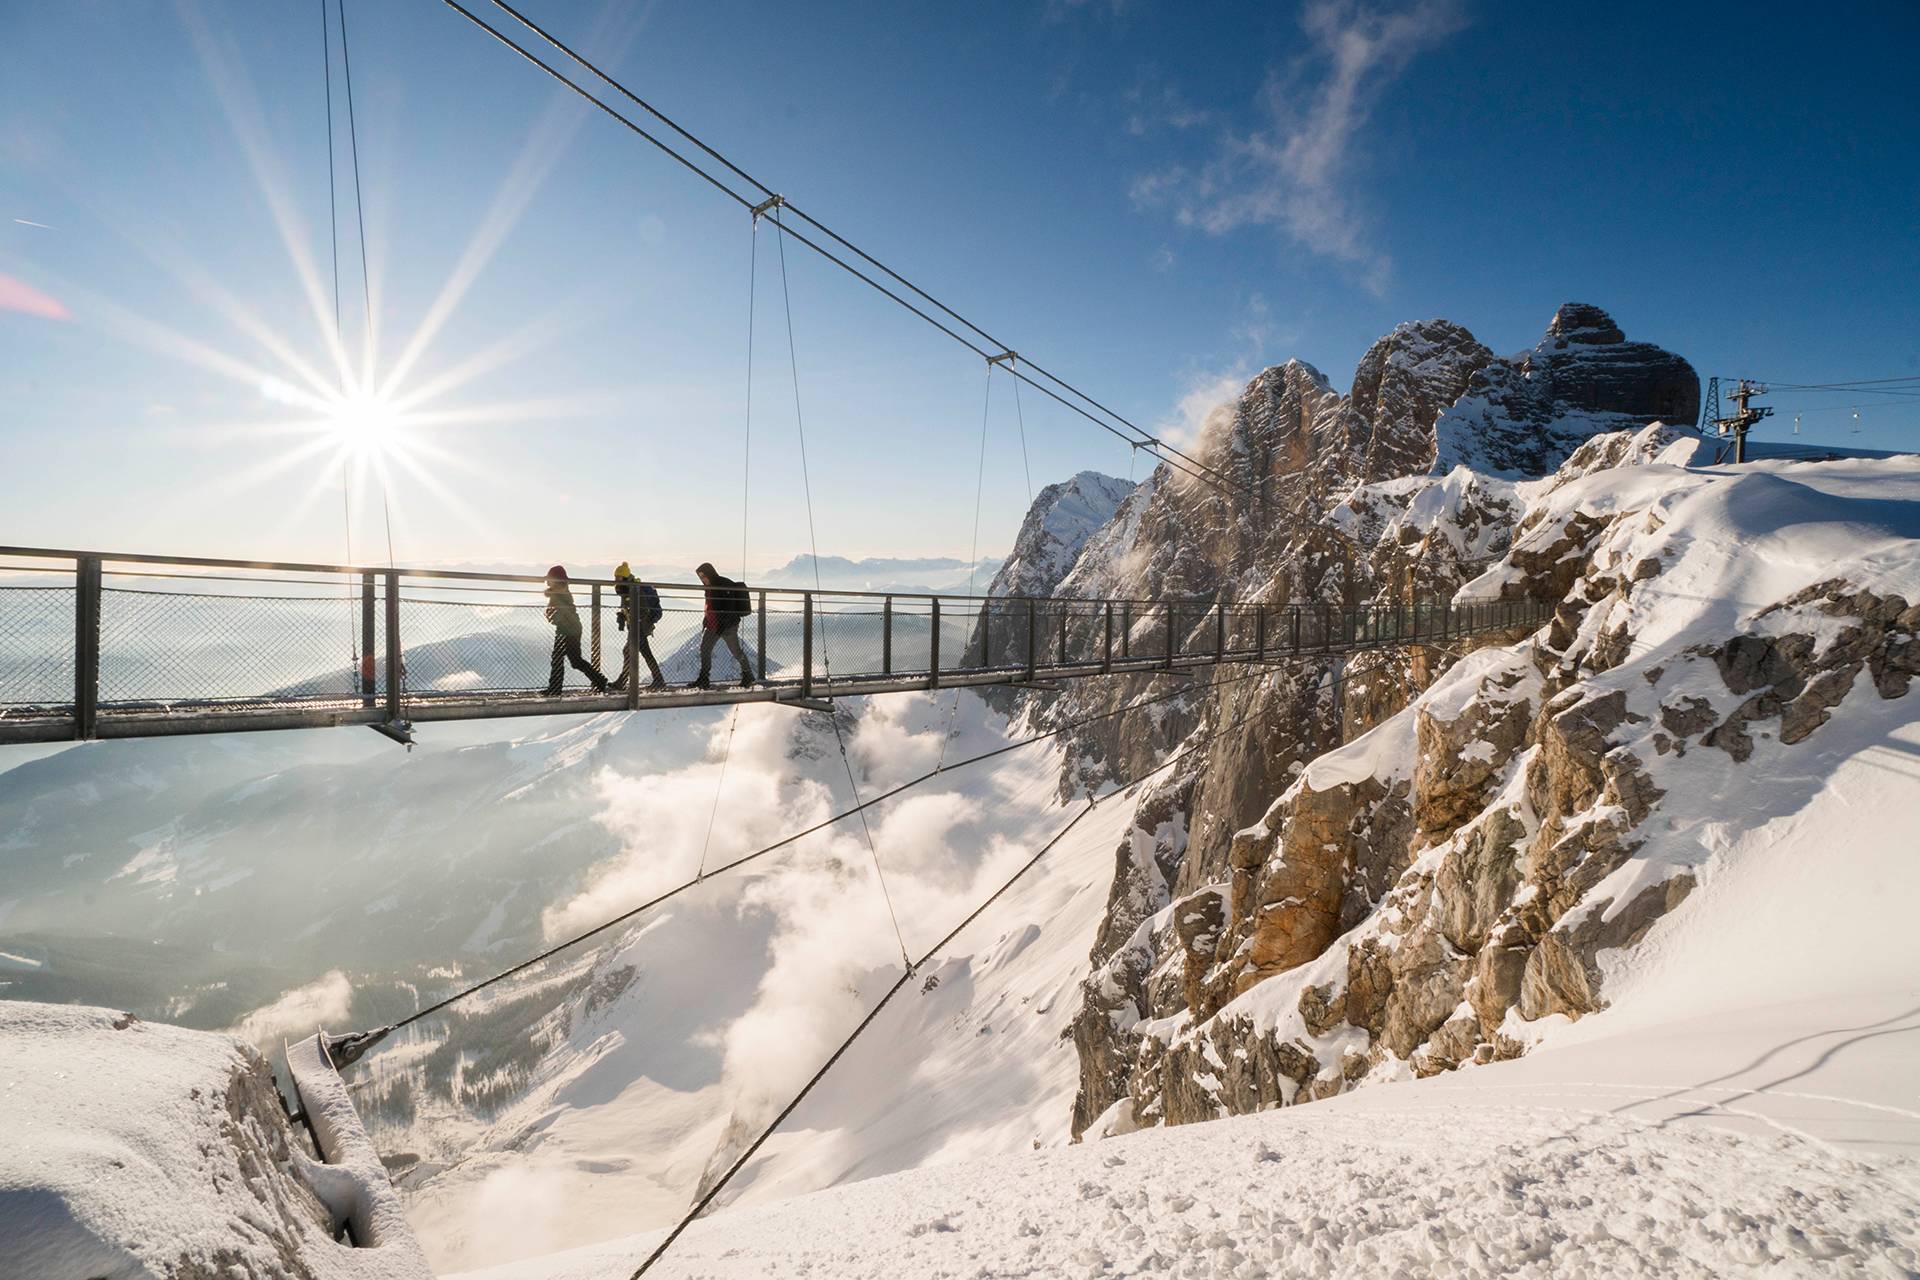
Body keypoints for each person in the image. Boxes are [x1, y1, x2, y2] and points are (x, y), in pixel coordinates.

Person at [542, 565, 609, 695]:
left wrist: (551, 616)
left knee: (559, 659)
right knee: (575, 661)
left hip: (567, 630)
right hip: (571, 628)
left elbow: (561, 613)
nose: (547, 581)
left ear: (555, 579)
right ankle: (600, 681)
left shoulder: (558, 593)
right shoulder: (560, 591)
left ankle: (555, 689)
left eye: (549, 578)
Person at [693, 561, 753, 690]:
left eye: (704, 576)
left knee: (736, 651)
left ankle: (748, 675)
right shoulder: (709, 587)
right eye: (700, 577)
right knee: (705, 649)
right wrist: (706, 619)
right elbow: (711, 605)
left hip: (727, 626)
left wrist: (722, 624)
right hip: (713, 625)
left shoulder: (722, 584)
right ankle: (704, 679)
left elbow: (728, 607)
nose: (703, 579)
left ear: (710, 574)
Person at [608, 561, 667, 692]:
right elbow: (629, 607)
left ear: (624, 577)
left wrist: (635, 620)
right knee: (637, 652)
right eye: (615, 577)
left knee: (636, 652)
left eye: (618, 577)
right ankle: (657, 680)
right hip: (636, 626)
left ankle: (656, 680)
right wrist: (622, 615)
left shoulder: (634, 588)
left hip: (639, 626)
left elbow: (642, 609)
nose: (615, 580)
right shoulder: (626, 588)